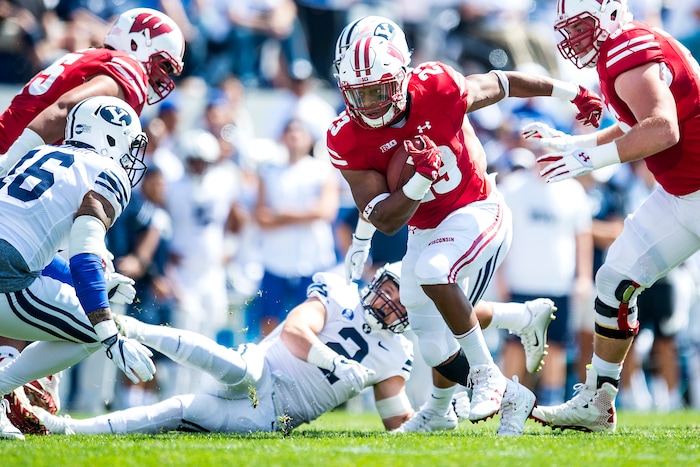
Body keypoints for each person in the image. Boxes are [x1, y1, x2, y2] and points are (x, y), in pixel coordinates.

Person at [327, 34, 603, 423]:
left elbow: (503, 83)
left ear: (402, 78)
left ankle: (488, 375)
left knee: (434, 271)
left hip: (476, 207)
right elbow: (386, 219)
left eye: (379, 91)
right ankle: (458, 403)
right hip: (424, 227)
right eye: (361, 94)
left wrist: (570, 91)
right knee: (430, 343)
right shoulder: (345, 135)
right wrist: (417, 183)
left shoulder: (437, 87)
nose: (370, 104)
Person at [32, 263, 532, 436]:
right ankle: (128, 327)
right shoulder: (337, 293)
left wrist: (436, 416)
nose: (388, 296)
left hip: (272, 416)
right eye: (389, 285)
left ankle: (68, 427)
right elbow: (295, 331)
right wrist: (335, 362)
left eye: (401, 295)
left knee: (179, 410)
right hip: (261, 369)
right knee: (236, 365)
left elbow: (395, 421)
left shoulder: (397, 353)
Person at [524, 0, 700, 431]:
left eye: (582, 25)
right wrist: (573, 144)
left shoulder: (627, 46)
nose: (574, 37)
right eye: (568, 28)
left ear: (610, 15)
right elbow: (631, 121)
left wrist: (589, 159)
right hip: (681, 194)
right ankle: (596, 402)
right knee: (615, 280)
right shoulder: (623, 47)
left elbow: (662, 127)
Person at [0, 95, 153, 441]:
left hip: (8, 266)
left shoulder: (35, 154)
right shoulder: (107, 171)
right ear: (112, 138)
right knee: (93, 331)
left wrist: (89, 281)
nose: (130, 157)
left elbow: (25, 248)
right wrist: (109, 334)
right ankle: (3, 387)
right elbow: (84, 252)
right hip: (5, 279)